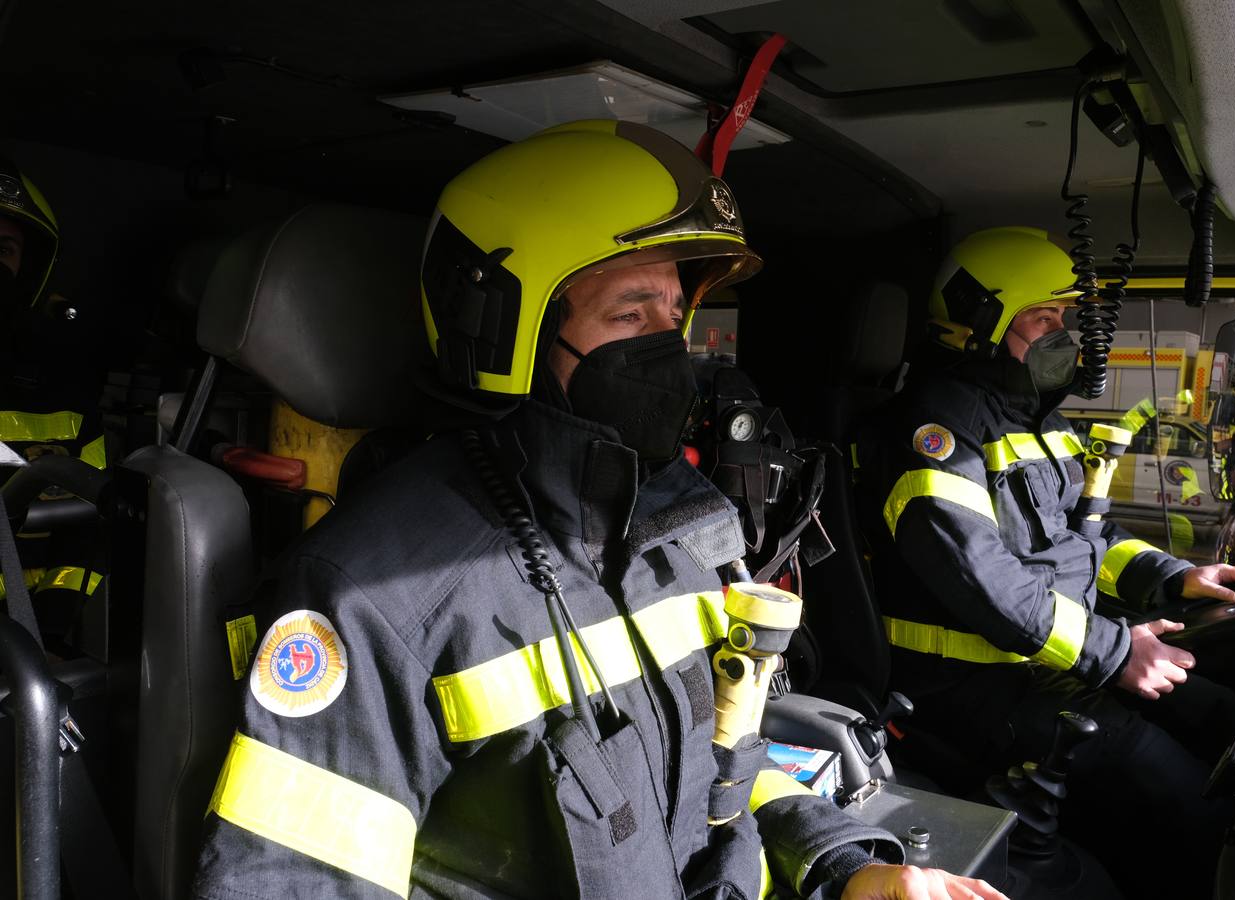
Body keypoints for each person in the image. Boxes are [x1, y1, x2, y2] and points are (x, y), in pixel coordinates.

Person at [193, 121, 1005, 900]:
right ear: (504, 328)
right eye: (629, 314)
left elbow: (722, 764)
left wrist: (842, 866)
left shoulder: (686, 525)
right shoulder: (369, 592)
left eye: (672, 309)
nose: (671, 344)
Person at [854, 226, 1235, 898]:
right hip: (966, 686)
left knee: (1221, 715)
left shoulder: (1035, 420)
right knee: (1180, 792)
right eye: (1042, 316)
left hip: (1045, 662)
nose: (1064, 335)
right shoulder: (937, 429)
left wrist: (1177, 577)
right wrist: (1114, 654)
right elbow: (980, 577)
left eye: (1064, 318)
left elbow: (1086, 537)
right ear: (981, 319)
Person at [0, 157, 108, 651]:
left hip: (34, 640)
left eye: (4, 249)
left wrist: (49, 626)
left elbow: (95, 520)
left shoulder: (64, 387)